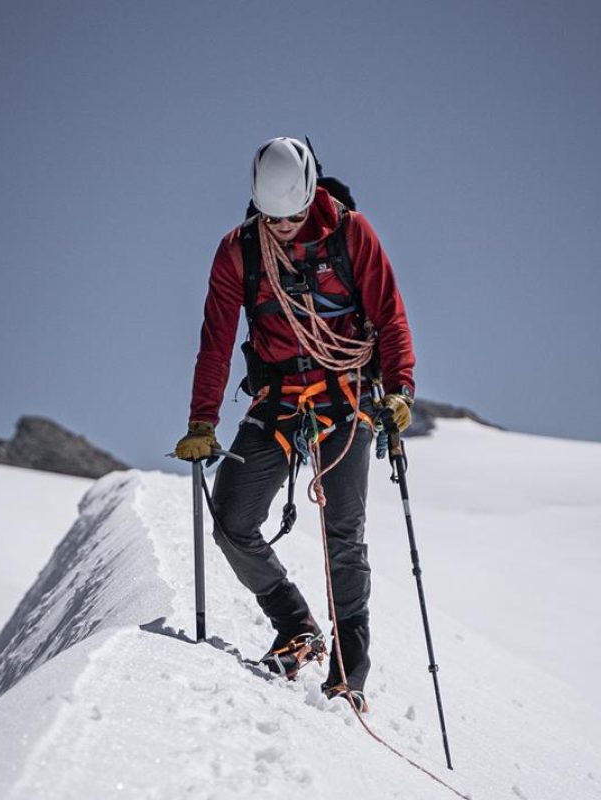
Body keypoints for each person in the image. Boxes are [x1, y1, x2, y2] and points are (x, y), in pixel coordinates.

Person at [175, 137, 415, 710]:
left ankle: (349, 670)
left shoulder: (353, 234)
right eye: (272, 218)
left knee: (343, 534)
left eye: (294, 216)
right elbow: (216, 341)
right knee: (232, 520)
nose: (283, 228)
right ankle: (295, 624)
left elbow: (390, 317)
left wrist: (400, 389)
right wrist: (202, 421)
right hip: (278, 397)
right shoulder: (239, 250)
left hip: (346, 392)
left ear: (311, 197)